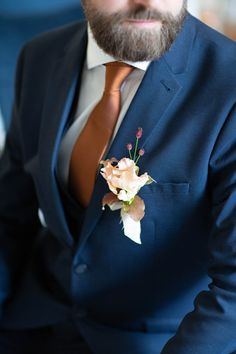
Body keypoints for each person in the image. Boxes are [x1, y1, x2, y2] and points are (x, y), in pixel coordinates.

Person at [0, 0, 236, 353]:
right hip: (32, 317)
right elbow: (9, 218)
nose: (147, 2)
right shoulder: (39, 57)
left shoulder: (228, 85)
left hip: (155, 341)